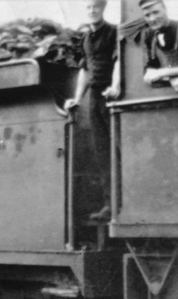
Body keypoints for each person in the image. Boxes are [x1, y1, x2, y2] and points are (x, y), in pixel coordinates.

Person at [65, 0, 121, 221]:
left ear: (102, 9)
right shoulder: (87, 38)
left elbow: (118, 62)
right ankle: (110, 204)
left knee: (116, 148)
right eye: (88, 8)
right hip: (95, 98)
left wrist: (115, 86)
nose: (91, 11)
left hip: (112, 96)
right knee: (102, 151)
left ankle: (121, 204)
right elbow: (85, 71)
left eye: (95, 7)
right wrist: (77, 99)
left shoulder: (113, 32)